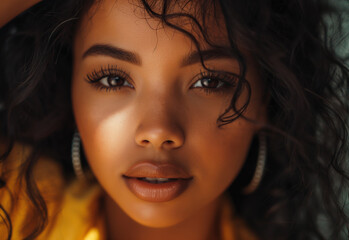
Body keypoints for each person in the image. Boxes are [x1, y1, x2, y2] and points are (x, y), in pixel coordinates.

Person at [0, 0, 348, 239]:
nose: (158, 131)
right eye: (113, 79)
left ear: (267, 98)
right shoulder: (16, 210)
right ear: (70, 84)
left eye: (209, 82)